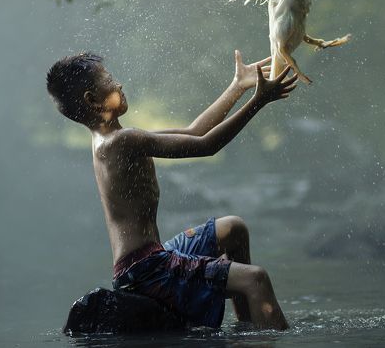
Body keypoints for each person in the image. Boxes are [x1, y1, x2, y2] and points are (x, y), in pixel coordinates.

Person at [45, 50, 294, 330]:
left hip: (147, 259)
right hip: (147, 270)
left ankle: (247, 327)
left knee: (233, 229)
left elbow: (195, 131)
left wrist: (238, 85)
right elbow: (207, 145)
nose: (119, 85)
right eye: (110, 80)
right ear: (92, 99)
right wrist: (258, 101)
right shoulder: (123, 141)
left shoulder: (116, 139)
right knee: (255, 278)